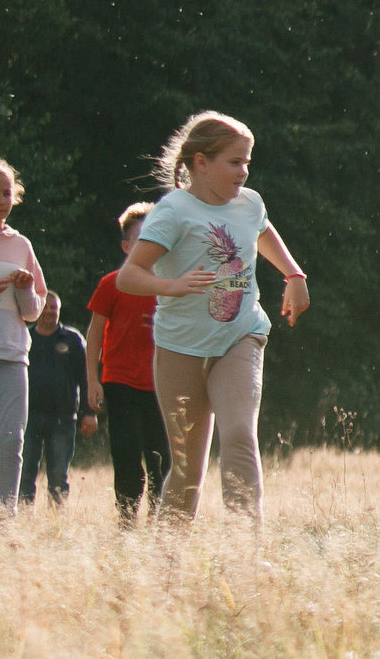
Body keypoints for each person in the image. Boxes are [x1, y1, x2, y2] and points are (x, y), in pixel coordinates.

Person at [117, 113, 311, 521]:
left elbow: (262, 230)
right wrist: (172, 285)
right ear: (201, 163)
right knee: (187, 466)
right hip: (179, 347)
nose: (244, 171)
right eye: (234, 162)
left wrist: (293, 274)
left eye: (247, 162)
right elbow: (129, 277)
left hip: (240, 334)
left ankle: (245, 550)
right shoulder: (172, 212)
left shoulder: (249, 203)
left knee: (239, 433)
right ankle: (167, 562)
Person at [86, 202, 169, 522]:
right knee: (126, 451)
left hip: (161, 384)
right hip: (120, 382)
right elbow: (94, 335)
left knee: (161, 455)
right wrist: (93, 380)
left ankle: (160, 518)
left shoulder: (170, 286)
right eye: (140, 238)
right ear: (126, 246)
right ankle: (127, 519)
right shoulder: (113, 283)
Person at [0, 158, 46, 512]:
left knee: (11, 441)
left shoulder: (21, 244)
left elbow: (33, 311)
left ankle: (2, 519)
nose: (0, 200)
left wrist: (23, 288)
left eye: (6, 193)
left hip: (10, 353)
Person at [21, 294, 90, 503]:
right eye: (46, 307)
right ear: (38, 309)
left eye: (54, 307)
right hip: (28, 417)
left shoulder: (72, 340)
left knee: (58, 475)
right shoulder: (25, 338)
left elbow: (86, 378)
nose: (50, 311)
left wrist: (89, 413)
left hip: (63, 418)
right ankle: (22, 521)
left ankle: (56, 523)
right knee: (24, 473)